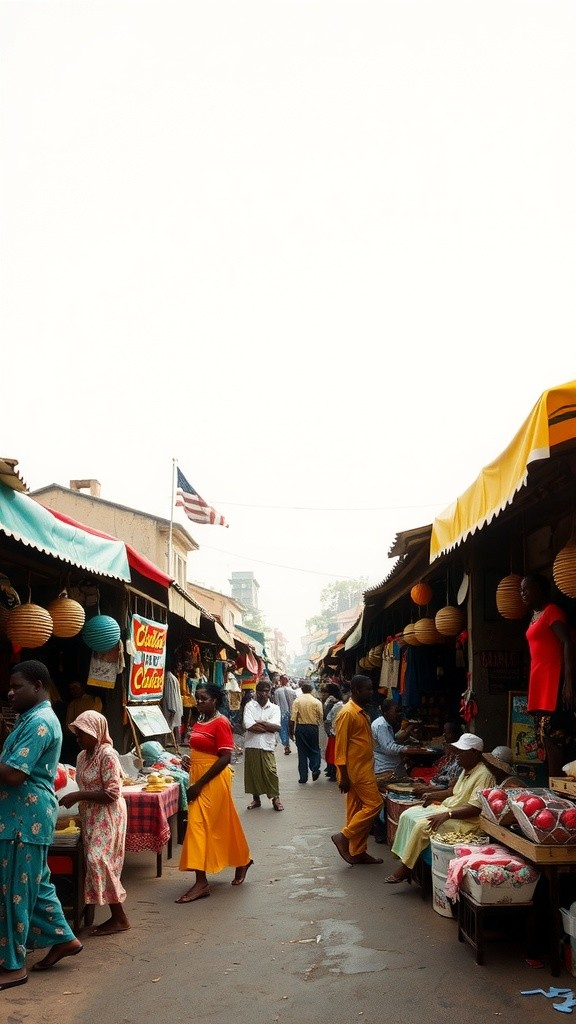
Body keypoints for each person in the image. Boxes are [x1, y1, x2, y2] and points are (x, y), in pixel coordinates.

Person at [0, 660, 83, 990]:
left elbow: (14, 773)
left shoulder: (40, 722)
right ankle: (64, 939)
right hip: (21, 816)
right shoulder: (30, 718)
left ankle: (14, 965)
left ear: (37, 686)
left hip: (24, 819)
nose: (10, 692)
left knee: (14, 891)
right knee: (36, 883)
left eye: (16, 686)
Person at [176, 683, 253, 903]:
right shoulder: (199, 720)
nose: (199, 702)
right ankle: (243, 860)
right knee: (221, 823)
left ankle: (201, 883)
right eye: (197, 698)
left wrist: (199, 784)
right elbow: (202, 749)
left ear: (215, 701)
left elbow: (225, 757)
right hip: (197, 776)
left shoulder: (221, 722)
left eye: (203, 699)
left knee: (198, 826)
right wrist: (190, 761)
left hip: (212, 780)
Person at [385, 732, 496, 883]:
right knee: (407, 814)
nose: (458, 756)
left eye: (461, 753)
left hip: (467, 821)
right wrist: (432, 795)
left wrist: (447, 815)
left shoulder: (484, 775)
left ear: (475, 753)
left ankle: (406, 868)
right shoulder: (466, 769)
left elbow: (475, 808)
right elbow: (452, 792)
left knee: (423, 826)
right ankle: (403, 857)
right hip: (448, 808)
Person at [60, 710, 129, 936]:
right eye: (77, 734)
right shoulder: (81, 756)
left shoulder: (108, 755)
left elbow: (112, 793)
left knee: (99, 859)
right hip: (90, 815)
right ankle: (87, 912)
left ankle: (119, 917)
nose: (78, 738)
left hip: (108, 815)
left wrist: (79, 795)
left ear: (96, 733)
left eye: (82, 734)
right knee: (91, 861)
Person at [520, 572, 576, 777]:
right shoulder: (535, 616)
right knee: (545, 740)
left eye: (527, 589)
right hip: (540, 682)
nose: (522, 593)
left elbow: (567, 642)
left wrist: (568, 681)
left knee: (556, 739)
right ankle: (552, 787)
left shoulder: (552, 611)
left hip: (555, 681)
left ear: (541, 590)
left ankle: (558, 789)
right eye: (520, 590)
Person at [331, 675, 384, 866]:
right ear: (355, 691)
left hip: (363, 769)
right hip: (356, 772)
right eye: (367, 690)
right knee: (375, 804)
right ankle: (343, 837)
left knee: (356, 810)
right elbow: (340, 747)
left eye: (371, 689)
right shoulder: (347, 713)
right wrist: (343, 775)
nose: (371, 693)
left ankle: (358, 851)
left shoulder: (361, 712)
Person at [243, 681, 284, 811]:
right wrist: (267, 726)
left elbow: (277, 727)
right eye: (261, 691)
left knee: (271, 771)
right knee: (253, 773)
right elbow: (249, 726)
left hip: (267, 745)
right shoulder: (249, 706)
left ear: (270, 692)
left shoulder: (274, 708)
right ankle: (256, 799)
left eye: (266, 691)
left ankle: (276, 799)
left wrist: (259, 722)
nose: (263, 694)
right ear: (256, 692)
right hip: (252, 744)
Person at [371, 698, 422, 787]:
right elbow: (388, 747)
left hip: (391, 766)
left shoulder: (386, 724)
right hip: (386, 768)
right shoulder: (381, 725)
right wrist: (406, 749)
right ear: (386, 712)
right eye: (396, 711)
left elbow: (391, 740)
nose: (398, 714)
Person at [410, 721, 464, 797]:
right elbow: (443, 774)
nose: (444, 735)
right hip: (439, 783)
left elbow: (450, 786)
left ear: (456, 735)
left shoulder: (461, 759)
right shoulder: (452, 751)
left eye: (447, 733)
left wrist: (429, 789)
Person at [289, 681, 323, 783]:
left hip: (301, 728)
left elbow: (293, 718)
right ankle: (315, 768)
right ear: (311, 690)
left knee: (302, 752)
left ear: (302, 690)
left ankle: (303, 777)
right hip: (313, 728)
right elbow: (321, 716)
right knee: (315, 748)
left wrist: (291, 731)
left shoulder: (297, 701)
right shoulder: (316, 702)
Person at [274, 674, 296, 755]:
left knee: (283, 730)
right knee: (292, 729)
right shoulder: (292, 691)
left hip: (282, 714)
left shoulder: (277, 691)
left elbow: (276, 704)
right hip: (292, 714)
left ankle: (286, 745)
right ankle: (293, 741)